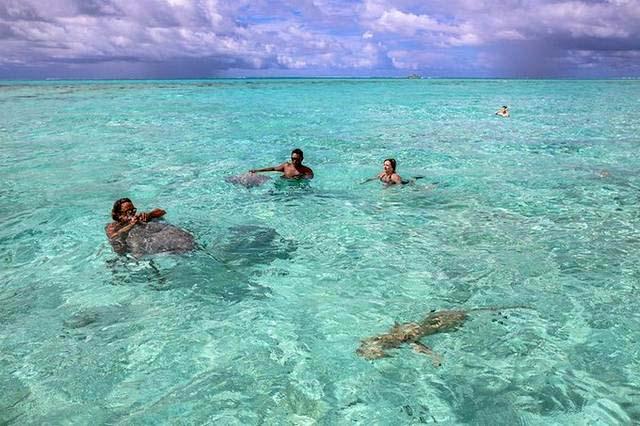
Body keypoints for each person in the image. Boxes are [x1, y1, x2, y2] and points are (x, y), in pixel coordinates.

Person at [249, 148, 314, 179]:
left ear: (302, 159)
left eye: (297, 159)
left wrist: (301, 176)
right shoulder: (286, 166)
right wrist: (257, 170)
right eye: (293, 159)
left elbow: (310, 177)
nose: (294, 161)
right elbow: (273, 168)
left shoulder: (306, 170)